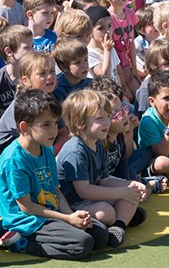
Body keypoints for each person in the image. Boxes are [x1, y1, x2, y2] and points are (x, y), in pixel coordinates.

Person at [0, 89, 108, 259]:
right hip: (27, 222)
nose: (54, 130)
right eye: (46, 125)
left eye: (55, 123)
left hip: (50, 214)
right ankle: (20, 243)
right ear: (24, 127)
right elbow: (27, 207)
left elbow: (55, 190)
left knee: (101, 235)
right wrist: (67, 219)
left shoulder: (46, 148)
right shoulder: (14, 159)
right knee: (82, 243)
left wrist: (70, 215)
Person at [56, 90, 148, 248]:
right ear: (80, 123)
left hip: (91, 198)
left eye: (108, 116)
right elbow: (84, 191)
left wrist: (129, 185)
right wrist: (121, 192)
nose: (107, 122)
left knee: (132, 195)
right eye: (100, 118)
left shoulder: (98, 144)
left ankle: (118, 227)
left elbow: (104, 179)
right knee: (106, 211)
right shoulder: (75, 151)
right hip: (73, 204)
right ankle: (116, 218)